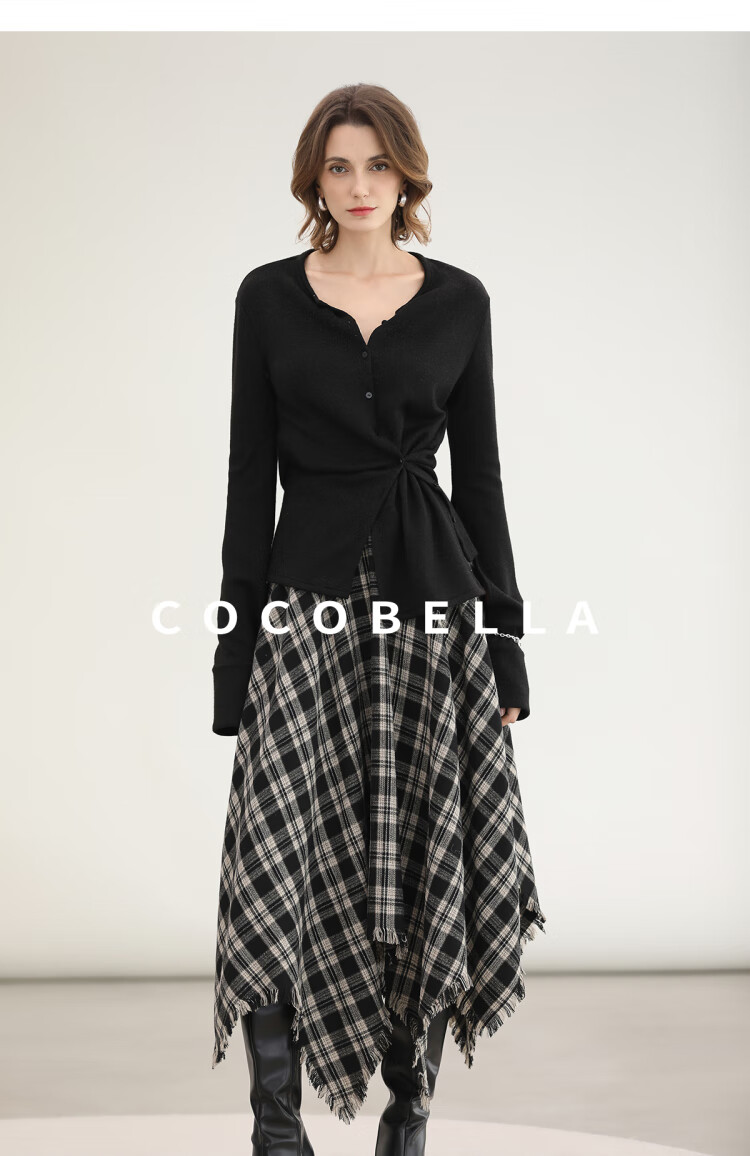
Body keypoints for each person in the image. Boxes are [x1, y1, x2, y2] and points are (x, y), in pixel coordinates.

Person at [210, 83, 547, 1156]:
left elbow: (482, 479)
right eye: (339, 166)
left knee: (419, 853)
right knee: (277, 859)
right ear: (314, 179)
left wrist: (507, 646)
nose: (360, 187)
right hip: (303, 608)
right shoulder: (267, 298)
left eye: (378, 166)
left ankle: (410, 1114)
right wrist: (232, 655)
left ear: (408, 175)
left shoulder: (460, 302)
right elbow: (247, 482)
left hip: (433, 606)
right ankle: (277, 1131)